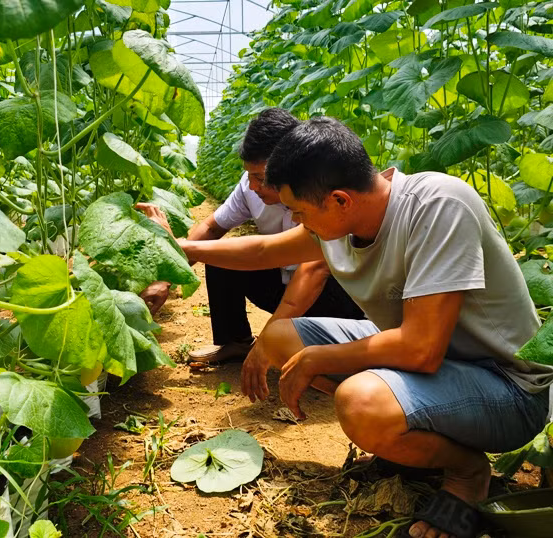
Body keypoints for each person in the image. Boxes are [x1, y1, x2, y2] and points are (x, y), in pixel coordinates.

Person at [178, 116, 553, 538]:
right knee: (281, 336)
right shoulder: (344, 219)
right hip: (439, 368)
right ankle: (409, 435)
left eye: (300, 212)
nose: (298, 223)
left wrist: (321, 356)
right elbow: (263, 248)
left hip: (506, 389)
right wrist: (182, 249)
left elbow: (420, 350)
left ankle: (466, 473)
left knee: (360, 403)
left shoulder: (437, 206)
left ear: (340, 200)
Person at [139, 108, 362, 366]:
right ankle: (235, 342)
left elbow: (310, 273)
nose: (253, 185)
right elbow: (213, 228)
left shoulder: (323, 195)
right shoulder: (250, 187)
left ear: (292, 166)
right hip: (283, 284)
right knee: (221, 256)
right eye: (250, 175)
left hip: (334, 295)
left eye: (261, 177)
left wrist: (270, 339)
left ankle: (341, 350)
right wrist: (166, 278)